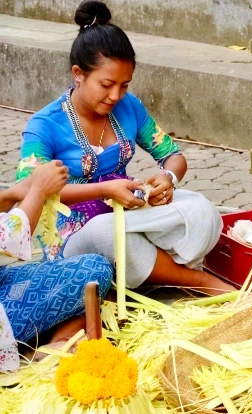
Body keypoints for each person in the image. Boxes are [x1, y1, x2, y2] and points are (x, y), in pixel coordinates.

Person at [17, 0, 232, 294]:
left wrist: (167, 180)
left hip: (127, 212)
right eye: (106, 84)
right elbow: (28, 191)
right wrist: (106, 189)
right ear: (78, 73)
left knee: (202, 210)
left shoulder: (128, 107)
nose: (116, 95)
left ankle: (144, 270)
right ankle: (197, 280)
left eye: (125, 85)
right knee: (109, 233)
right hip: (71, 237)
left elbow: (173, 155)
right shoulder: (45, 125)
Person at [0, 161, 113, 372]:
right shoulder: (45, 128)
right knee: (93, 270)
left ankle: (59, 342)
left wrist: (11, 195)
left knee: (75, 264)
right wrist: (39, 190)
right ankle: (59, 347)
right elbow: (9, 238)